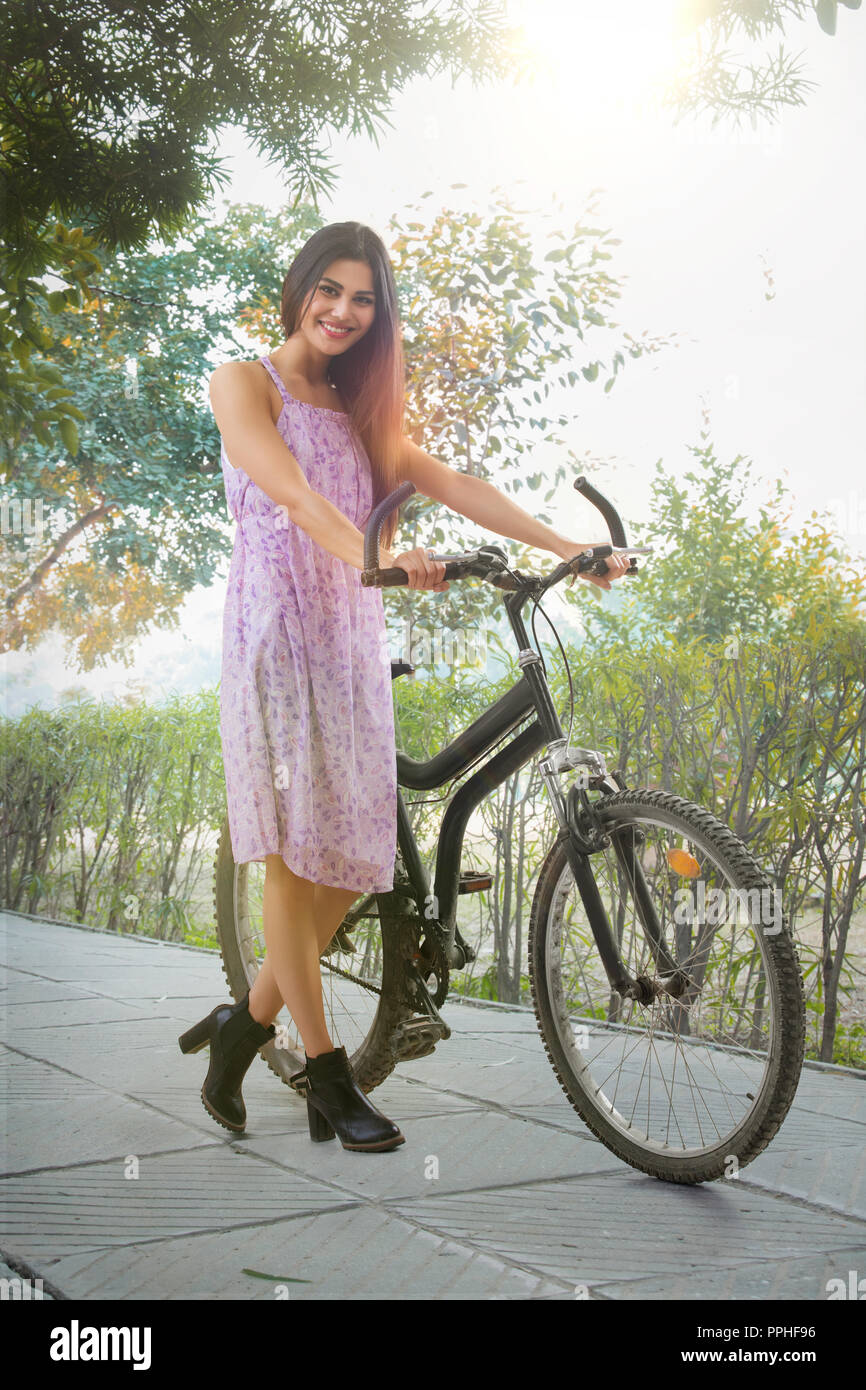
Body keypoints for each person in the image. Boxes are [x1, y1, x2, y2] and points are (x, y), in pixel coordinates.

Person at [178, 221, 630, 1154]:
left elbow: (458, 484)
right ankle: (326, 1075)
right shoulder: (243, 382)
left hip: (349, 640)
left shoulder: (360, 410)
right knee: (292, 865)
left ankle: (240, 1028)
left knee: (352, 865)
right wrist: (381, 559)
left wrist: (568, 549)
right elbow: (298, 498)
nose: (344, 311)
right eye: (330, 290)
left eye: (364, 299)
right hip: (276, 637)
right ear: (301, 287)